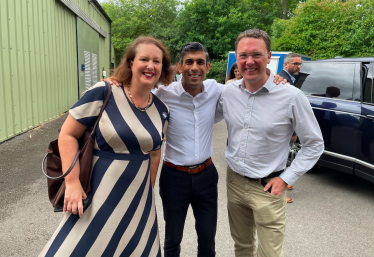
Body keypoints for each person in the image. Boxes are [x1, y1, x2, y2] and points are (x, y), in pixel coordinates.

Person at [107, 42, 285, 257]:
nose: (195, 67)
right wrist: (115, 82)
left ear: (208, 67)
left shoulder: (218, 90)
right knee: (173, 238)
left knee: (208, 239)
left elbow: (249, 84)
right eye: (189, 62)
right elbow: (134, 90)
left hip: (206, 176)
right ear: (179, 67)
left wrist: (276, 78)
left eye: (200, 62)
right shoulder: (163, 94)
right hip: (174, 177)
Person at [39, 36, 173, 257]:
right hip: (98, 195)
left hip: (138, 201)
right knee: (78, 248)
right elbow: (67, 134)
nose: (150, 66)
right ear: (131, 62)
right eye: (144, 59)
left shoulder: (162, 110)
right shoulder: (105, 92)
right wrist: (72, 183)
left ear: (163, 68)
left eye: (157, 61)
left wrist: (147, 190)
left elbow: (155, 153)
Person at [216, 29, 324, 257]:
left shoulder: (291, 96)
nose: (250, 61)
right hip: (234, 182)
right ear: (237, 58)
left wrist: (286, 179)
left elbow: (314, 144)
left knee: (270, 253)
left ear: (269, 56)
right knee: (242, 246)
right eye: (243, 55)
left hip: (268, 188)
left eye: (257, 54)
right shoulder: (228, 92)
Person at [278, 52, 304, 203]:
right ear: (286, 64)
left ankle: (285, 183)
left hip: (287, 128)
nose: (298, 66)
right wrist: (293, 131)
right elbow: (285, 109)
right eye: (295, 63)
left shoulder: (289, 78)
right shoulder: (283, 80)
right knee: (283, 159)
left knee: (287, 158)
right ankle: (280, 192)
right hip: (284, 129)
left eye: (299, 64)